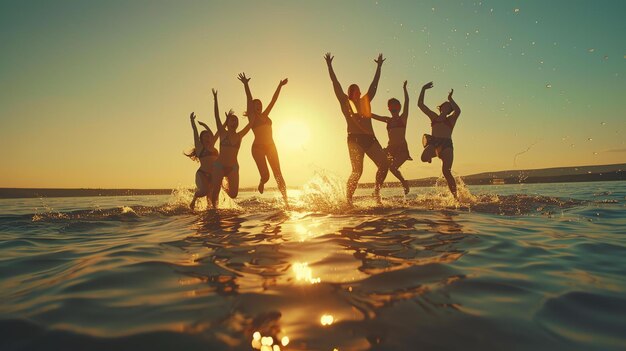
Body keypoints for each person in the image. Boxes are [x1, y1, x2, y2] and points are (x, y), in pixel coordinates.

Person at [324, 52, 389, 205]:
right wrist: (329, 66)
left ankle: (376, 192)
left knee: (384, 164)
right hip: (354, 139)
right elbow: (336, 84)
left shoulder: (365, 101)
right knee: (357, 171)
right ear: (349, 93)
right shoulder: (345, 103)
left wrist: (379, 67)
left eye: (358, 89)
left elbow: (374, 85)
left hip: (370, 139)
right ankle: (348, 200)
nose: (357, 91)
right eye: (354, 90)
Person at [237, 72, 290, 207]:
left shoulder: (265, 115)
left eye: (260, 104)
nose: (259, 106)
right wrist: (246, 85)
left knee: (278, 174)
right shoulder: (252, 119)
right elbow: (249, 99)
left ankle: (286, 202)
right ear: (252, 108)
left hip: (271, 146)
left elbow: (273, 100)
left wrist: (280, 85)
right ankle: (262, 181)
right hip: (258, 148)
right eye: (256, 105)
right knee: (266, 176)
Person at [209, 88, 255, 208]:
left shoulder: (240, 135)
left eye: (236, 120)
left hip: (233, 167)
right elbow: (216, 116)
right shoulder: (222, 133)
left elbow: (251, 123)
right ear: (228, 122)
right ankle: (213, 210)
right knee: (215, 194)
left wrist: (246, 88)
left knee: (234, 194)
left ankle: (222, 189)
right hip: (219, 165)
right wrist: (215, 99)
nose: (234, 122)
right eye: (232, 120)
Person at [418, 82, 461, 199]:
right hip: (434, 144)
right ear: (441, 108)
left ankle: (456, 197)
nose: (447, 106)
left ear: (449, 110)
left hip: (447, 145)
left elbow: (458, 111)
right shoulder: (433, 117)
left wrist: (450, 98)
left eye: (449, 106)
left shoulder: (451, 119)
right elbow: (420, 105)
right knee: (423, 158)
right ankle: (432, 155)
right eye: (445, 104)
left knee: (446, 172)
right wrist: (423, 89)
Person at [371, 80, 412, 195]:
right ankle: (377, 190)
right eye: (391, 109)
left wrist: (404, 89)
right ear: (389, 109)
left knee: (393, 168)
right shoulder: (388, 120)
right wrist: (362, 111)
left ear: (399, 108)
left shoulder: (403, 118)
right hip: (390, 149)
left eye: (396, 109)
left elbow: (407, 102)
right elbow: (373, 116)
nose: (394, 111)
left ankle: (404, 182)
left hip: (402, 148)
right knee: (381, 168)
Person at [185, 112, 219, 210]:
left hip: (213, 175)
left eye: (209, 136)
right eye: (206, 136)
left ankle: (211, 213)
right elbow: (195, 132)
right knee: (204, 191)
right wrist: (192, 121)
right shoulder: (200, 148)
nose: (208, 138)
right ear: (202, 139)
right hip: (202, 174)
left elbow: (215, 133)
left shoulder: (213, 147)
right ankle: (194, 199)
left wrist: (205, 125)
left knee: (213, 201)